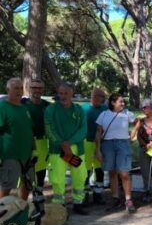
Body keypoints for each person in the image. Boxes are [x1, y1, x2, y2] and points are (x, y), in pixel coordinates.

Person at [44, 82, 87, 214]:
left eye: (66, 93)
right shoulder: (51, 109)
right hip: (57, 149)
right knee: (57, 177)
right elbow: (49, 127)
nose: (63, 96)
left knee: (80, 176)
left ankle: (78, 203)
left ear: (71, 93)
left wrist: (70, 142)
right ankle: (59, 205)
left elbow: (83, 128)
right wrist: (62, 143)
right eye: (60, 93)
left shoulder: (79, 110)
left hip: (76, 148)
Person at [94, 93, 137, 214]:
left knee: (124, 173)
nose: (123, 103)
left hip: (123, 144)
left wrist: (133, 133)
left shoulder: (127, 114)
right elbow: (98, 132)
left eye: (123, 102)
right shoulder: (104, 114)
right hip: (107, 145)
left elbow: (138, 122)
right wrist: (97, 150)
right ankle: (115, 198)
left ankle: (128, 200)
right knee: (112, 172)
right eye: (120, 101)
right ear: (113, 102)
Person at [0, 78, 34, 205]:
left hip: (27, 155)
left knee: (27, 184)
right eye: (16, 88)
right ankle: (1, 214)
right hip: (10, 155)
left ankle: (21, 210)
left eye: (21, 88)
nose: (19, 91)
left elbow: (29, 130)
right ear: (8, 90)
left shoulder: (24, 108)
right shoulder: (2, 106)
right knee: (7, 186)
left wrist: (34, 149)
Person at [21, 79, 50, 208]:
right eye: (34, 87)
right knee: (27, 169)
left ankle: (38, 192)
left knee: (41, 168)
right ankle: (22, 201)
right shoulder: (22, 104)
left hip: (43, 141)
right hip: (26, 141)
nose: (37, 90)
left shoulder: (47, 105)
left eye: (39, 88)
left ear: (43, 89)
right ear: (29, 88)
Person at [130, 99, 152, 203]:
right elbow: (138, 135)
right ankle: (149, 192)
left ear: (151, 107)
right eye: (142, 107)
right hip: (143, 148)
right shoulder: (140, 121)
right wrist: (145, 145)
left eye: (146, 107)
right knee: (145, 172)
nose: (143, 109)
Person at [81, 88, 108, 205]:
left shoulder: (104, 109)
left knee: (99, 169)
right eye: (98, 96)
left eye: (102, 97)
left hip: (100, 143)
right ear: (92, 96)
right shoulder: (84, 109)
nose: (100, 99)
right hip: (86, 142)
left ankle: (98, 194)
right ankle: (85, 195)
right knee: (86, 170)